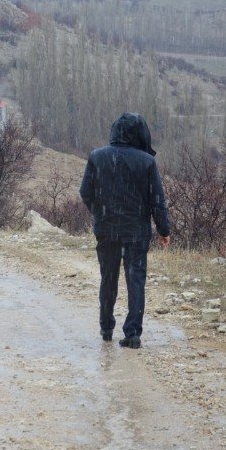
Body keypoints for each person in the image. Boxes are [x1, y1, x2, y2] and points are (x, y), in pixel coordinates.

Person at [79, 112, 171, 349]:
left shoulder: (97, 156)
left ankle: (106, 327)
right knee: (135, 280)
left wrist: (99, 212)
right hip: (137, 231)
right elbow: (156, 200)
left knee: (108, 278)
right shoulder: (146, 161)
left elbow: (85, 192)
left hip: (106, 228)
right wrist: (164, 229)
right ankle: (133, 334)